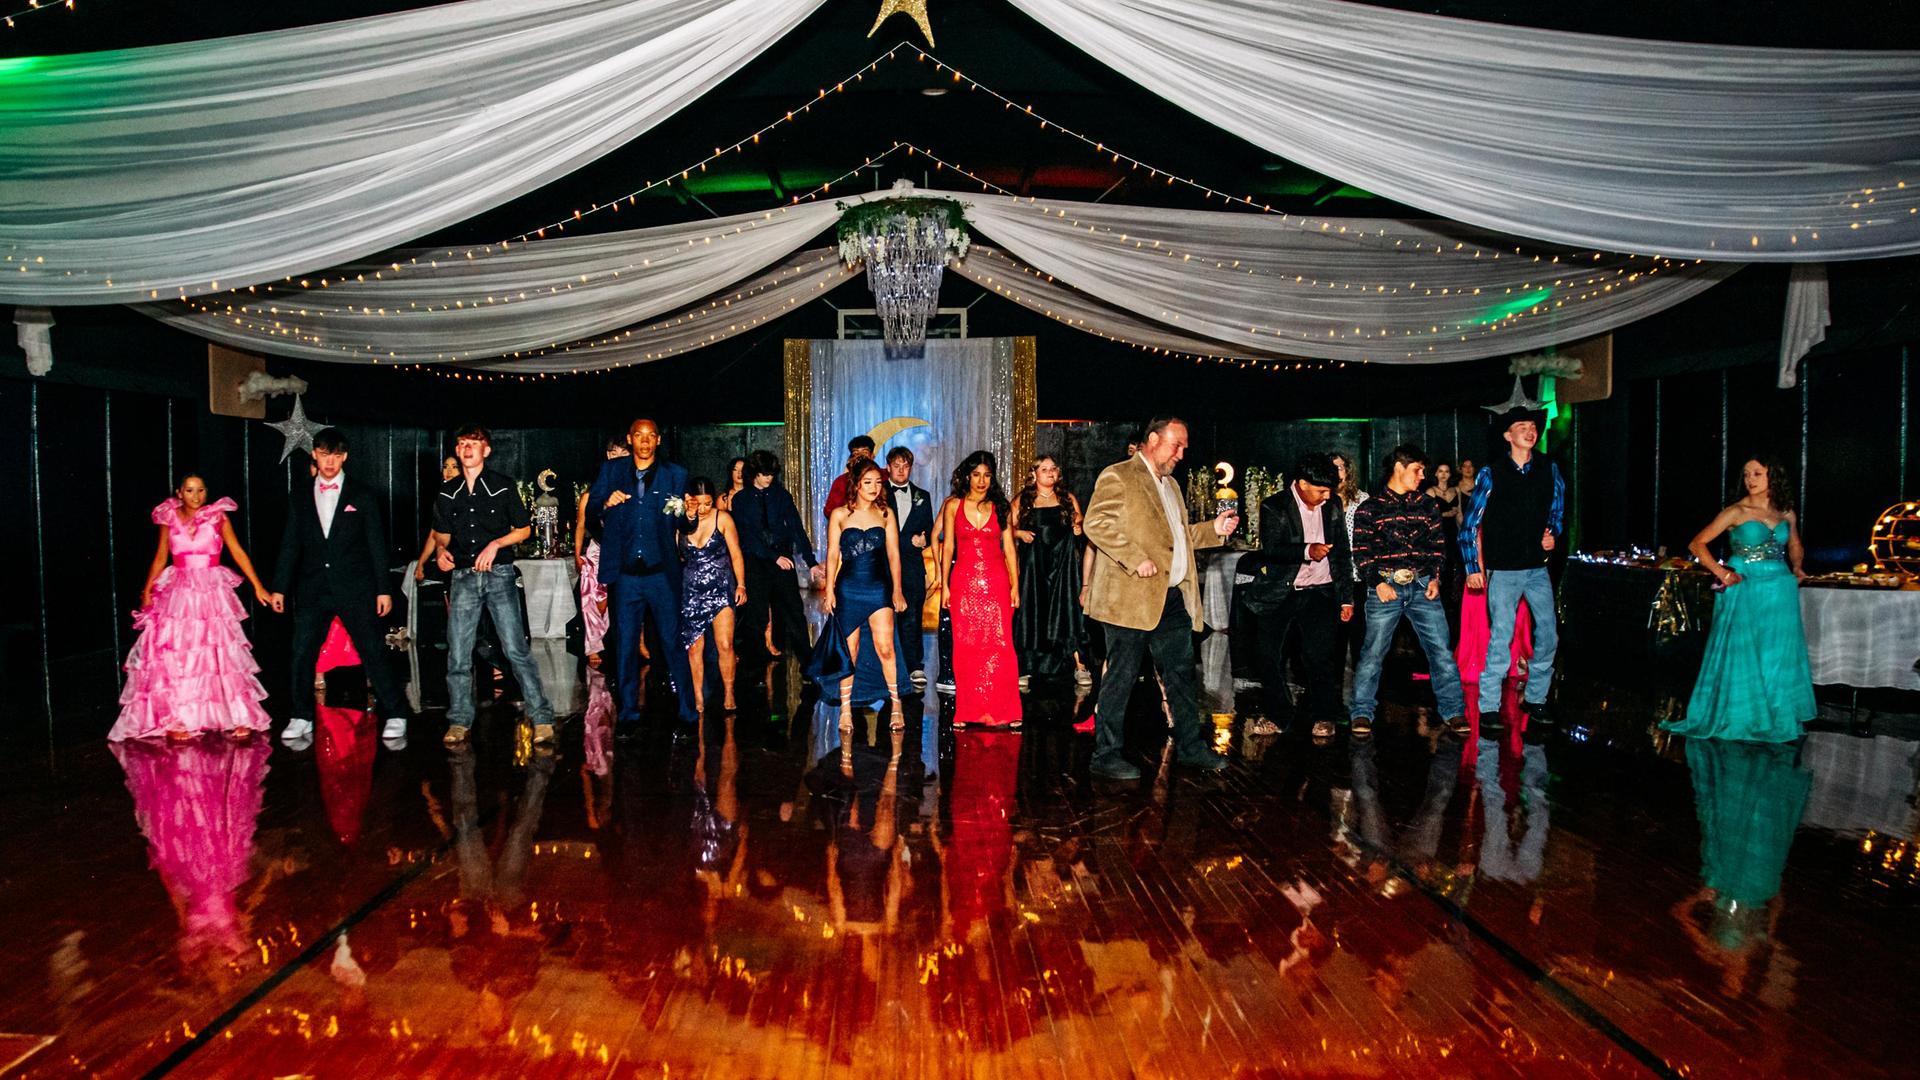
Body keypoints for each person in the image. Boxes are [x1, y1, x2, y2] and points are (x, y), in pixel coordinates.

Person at [1083, 416, 1239, 778]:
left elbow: (1177, 537)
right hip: (1130, 599)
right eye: (1176, 445)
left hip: (1171, 598)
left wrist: (1213, 530)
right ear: (1153, 439)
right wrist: (1136, 559)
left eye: (1184, 447)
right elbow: (1096, 523)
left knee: (1182, 675)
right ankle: (1105, 755)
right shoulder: (1118, 475)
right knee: (1121, 677)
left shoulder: (1171, 486)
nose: (1182, 453)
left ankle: (1190, 748)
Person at [271, 429, 413, 745]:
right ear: (315, 455)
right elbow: (290, 543)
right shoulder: (300, 494)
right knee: (301, 652)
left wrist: (383, 589)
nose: (330, 461)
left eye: (336, 455)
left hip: (356, 587)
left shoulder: (362, 494)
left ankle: (396, 713)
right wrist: (279, 586)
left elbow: (376, 545)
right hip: (312, 588)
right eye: (324, 454)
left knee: (373, 651)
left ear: (345, 456)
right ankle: (300, 715)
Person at [109, 474, 274, 741]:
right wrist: (148, 591)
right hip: (179, 593)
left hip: (211, 591)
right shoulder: (169, 517)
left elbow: (237, 551)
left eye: (200, 490)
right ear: (179, 492)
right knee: (181, 655)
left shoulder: (218, 517)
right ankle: (179, 718)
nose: (196, 496)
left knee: (219, 654)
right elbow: (161, 556)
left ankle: (236, 716)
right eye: (189, 490)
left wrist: (257, 585)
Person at [1662, 458, 1815, 742]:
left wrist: (1797, 567)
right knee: (1744, 649)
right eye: (1746, 474)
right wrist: (1722, 572)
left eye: (1758, 473)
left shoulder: (1785, 512)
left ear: (1773, 476)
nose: (1750, 479)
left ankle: (1774, 713)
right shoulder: (1736, 511)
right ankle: (1742, 714)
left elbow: (1794, 544)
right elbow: (1697, 543)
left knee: (1776, 652)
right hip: (1745, 584)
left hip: (1779, 586)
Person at [432, 425, 556, 747]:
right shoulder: (448, 492)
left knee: (515, 648)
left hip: (499, 574)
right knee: (458, 653)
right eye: (461, 444)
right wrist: (442, 552)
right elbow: (441, 534)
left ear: (486, 450)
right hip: (463, 577)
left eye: (473, 444)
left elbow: (524, 530)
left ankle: (542, 717)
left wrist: (495, 545)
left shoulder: (502, 486)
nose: (466, 449)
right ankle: (459, 721)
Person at [1350, 445, 1468, 738]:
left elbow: (1438, 547)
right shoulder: (1370, 508)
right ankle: (1362, 712)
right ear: (1399, 468)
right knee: (1373, 652)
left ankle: (1453, 711)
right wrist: (1377, 582)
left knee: (1440, 650)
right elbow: (1361, 551)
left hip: (1421, 585)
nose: (1422, 476)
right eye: (1418, 470)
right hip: (1385, 587)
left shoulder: (1426, 505)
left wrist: (1435, 579)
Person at [588, 417, 697, 731]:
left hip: (661, 574)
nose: (645, 441)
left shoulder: (675, 475)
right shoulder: (612, 471)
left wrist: (688, 516)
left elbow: (679, 521)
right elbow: (592, 508)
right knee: (624, 646)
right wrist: (605, 503)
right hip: (626, 576)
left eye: (651, 436)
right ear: (630, 439)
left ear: (658, 441)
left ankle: (689, 713)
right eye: (639, 435)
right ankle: (628, 715)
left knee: (672, 642)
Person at [1237, 453, 1353, 741]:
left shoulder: (1334, 505)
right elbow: (1273, 549)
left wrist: (1346, 598)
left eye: (1330, 490)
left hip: (1321, 592)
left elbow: (1341, 553)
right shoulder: (1274, 506)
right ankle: (1279, 714)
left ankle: (1324, 715)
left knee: (1319, 657)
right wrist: (1306, 551)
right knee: (1267, 656)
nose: (1327, 496)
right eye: (1321, 490)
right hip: (1282, 591)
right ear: (1301, 483)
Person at [1461, 404, 1565, 728]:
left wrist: (1553, 533)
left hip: (1536, 568)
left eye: (1533, 426)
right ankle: (1489, 706)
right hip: (1503, 570)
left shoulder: (1550, 469)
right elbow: (1469, 525)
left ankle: (1536, 700)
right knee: (1501, 636)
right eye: (1522, 426)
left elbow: (1557, 512)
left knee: (1548, 633)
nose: (1530, 431)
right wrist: (1472, 568)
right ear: (1508, 435)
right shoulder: (1491, 473)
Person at [809, 460, 909, 731]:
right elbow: (832, 554)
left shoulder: (886, 513)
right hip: (848, 587)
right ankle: (845, 710)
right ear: (855, 484)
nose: (874, 488)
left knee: (886, 648)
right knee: (849, 651)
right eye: (868, 482)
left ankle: (896, 703)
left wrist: (897, 590)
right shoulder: (840, 514)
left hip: (878, 587)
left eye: (878, 482)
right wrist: (829, 590)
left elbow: (894, 555)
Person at [938, 451, 1022, 730]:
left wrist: (1015, 586)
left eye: (987, 475)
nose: (982, 480)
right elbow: (947, 546)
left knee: (1001, 644)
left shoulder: (1001, 507)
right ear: (967, 476)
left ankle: (1006, 711)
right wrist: (945, 584)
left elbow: (1009, 548)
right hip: (964, 582)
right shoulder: (952, 505)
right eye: (976, 475)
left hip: (997, 582)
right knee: (966, 647)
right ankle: (967, 711)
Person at [731, 449, 825, 664]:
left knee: (794, 611)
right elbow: (747, 537)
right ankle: (755, 665)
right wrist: (773, 557)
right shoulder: (741, 500)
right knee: (757, 616)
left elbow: (796, 529)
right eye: (765, 474)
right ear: (754, 473)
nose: (768, 478)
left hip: (783, 559)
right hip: (756, 560)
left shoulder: (781, 495)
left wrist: (810, 562)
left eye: (772, 474)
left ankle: (808, 664)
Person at [1012, 453, 1090, 688]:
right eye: (1044, 469)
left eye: (1053, 468)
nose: (1050, 472)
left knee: (1068, 609)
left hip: (1062, 565)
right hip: (1034, 566)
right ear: (1034, 473)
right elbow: (1006, 528)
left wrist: (1078, 527)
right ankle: (1026, 666)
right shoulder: (1023, 499)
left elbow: (1081, 521)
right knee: (1032, 611)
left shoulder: (1066, 497)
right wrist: (1019, 533)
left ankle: (1080, 665)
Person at [679, 477, 748, 713]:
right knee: (694, 646)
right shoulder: (681, 523)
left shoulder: (723, 518)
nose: (704, 509)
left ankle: (729, 692)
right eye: (698, 504)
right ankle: (698, 696)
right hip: (692, 590)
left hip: (720, 587)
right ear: (689, 501)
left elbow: (736, 553)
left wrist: (741, 585)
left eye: (708, 503)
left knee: (725, 643)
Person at [573, 437, 631, 668]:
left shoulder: (633, 490)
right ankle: (594, 645)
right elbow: (580, 525)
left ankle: (634, 642)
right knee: (593, 600)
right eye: (614, 453)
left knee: (624, 601)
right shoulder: (591, 495)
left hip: (625, 552)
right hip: (598, 550)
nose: (618, 457)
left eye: (623, 454)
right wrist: (579, 553)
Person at [883, 446, 936, 687]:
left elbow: (930, 529)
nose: (902, 470)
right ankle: (885, 666)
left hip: (913, 567)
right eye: (897, 465)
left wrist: (925, 540)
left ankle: (915, 665)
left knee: (913, 616)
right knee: (884, 616)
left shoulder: (923, 496)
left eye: (905, 466)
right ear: (888, 467)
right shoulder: (879, 493)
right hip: (883, 566)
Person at [822, 434, 877, 517]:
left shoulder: (884, 476)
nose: (860, 456)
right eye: (856, 453)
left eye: (865, 452)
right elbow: (829, 511)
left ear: (872, 456)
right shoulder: (841, 481)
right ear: (851, 457)